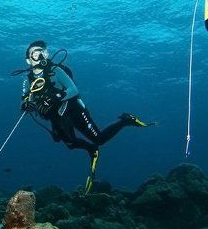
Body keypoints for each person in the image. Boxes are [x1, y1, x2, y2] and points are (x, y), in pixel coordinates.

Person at [18, 40, 152, 193]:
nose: (41, 55)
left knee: (99, 138)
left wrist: (58, 96)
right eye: (36, 53)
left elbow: (73, 90)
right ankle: (92, 149)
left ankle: (126, 120)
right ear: (28, 60)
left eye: (43, 52)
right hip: (56, 117)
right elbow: (26, 100)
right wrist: (26, 106)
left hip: (73, 109)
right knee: (70, 144)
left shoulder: (55, 70)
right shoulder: (28, 80)